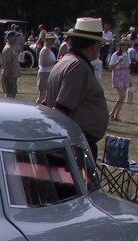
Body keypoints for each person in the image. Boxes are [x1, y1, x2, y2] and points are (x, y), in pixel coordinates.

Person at [45, 17, 109, 157]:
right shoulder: (78, 66)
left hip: (73, 140)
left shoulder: (67, 61)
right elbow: (61, 109)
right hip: (74, 143)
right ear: (94, 45)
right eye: (100, 44)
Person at [107, 37, 132, 121]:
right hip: (117, 74)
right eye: (122, 45)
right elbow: (110, 68)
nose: (124, 46)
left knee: (122, 97)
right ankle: (112, 113)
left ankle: (116, 115)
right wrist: (118, 62)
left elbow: (128, 65)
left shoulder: (127, 54)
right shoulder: (115, 54)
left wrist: (129, 78)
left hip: (125, 74)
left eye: (125, 45)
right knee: (122, 95)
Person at [36, 32, 56, 105]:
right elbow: (44, 63)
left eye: (53, 40)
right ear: (46, 40)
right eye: (50, 40)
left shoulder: (49, 49)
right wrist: (55, 62)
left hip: (47, 73)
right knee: (42, 96)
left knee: (45, 96)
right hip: (44, 73)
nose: (52, 41)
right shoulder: (45, 50)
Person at [1, 30, 21, 98]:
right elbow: (8, 64)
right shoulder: (8, 49)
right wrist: (11, 77)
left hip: (10, 75)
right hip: (9, 76)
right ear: (9, 38)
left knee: (12, 94)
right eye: (15, 37)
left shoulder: (10, 48)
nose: (16, 39)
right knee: (10, 95)